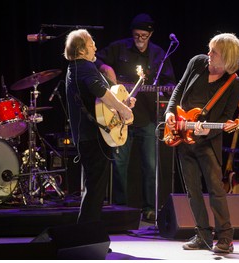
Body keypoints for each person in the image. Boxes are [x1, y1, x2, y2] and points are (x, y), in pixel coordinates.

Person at [164, 33, 239, 253]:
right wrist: (170, 112)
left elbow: (227, 117)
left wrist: (208, 129)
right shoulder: (197, 63)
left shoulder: (234, 83)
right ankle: (202, 235)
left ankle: (225, 237)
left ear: (226, 58)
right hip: (182, 135)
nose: (208, 54)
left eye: (214, 52)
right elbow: (179, 88)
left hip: (207, 142)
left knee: (216, 190)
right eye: (209, 49)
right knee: (192, 190)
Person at [95, 13, 176, 220]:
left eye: (144, 36)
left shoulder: (159, 54)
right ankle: (120, 209)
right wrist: (107, 70)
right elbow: (99, 61)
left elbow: (170, 83)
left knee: (150, 166)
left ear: (151, 34)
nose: (140, 39)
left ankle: (150, 209)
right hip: (121, 118)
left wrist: (167, 90)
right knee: (119, 164)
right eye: (137, 35)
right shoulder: (119, 47)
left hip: (146, 118)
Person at [64, 29, 135, 224]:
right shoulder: (84, 67)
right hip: (92, 137)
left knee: (94, 188)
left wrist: (123, 102)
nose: (95, 46)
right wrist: (122, 108)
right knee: (95, 188)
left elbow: (99, 99)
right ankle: (87, 234)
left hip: (89, 137)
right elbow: (99, 90)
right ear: (81, 50)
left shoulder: (77, 67)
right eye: (91, 44)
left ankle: (89, 233)